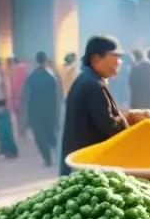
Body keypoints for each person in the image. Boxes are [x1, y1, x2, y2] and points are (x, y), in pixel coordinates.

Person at [60, 35, 128, 176]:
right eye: (115, 57)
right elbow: (109, 126)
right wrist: (128, 121)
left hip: (79, 161)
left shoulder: (86, 79)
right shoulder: (93, 85)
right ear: (96, 60)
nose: (119, 62)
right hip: (87, 166)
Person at [24, 52, 61, 168]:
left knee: (40, 136)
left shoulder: (32, 77)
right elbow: (57, 96)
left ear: (36, 61)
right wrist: (57, 113)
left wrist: (27, 115)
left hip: (35, 111)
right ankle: (57, 155)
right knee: (51, 134)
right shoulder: (51, 76)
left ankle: (47, 158)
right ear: (45, 61)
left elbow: (27, 96)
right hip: (50, 111)